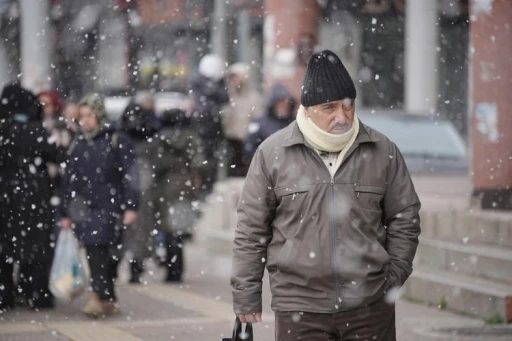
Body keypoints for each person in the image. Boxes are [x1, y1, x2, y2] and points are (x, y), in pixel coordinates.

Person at [231, 50, 421, 341]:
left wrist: (393, 276)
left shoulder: (383, 151)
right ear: (307, 109)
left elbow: (405, 217)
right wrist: (246, 294)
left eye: (348, 106)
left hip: (370, 307)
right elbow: (251, 228)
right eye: (329, 108)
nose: (342, 117)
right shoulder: (272, 153)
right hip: (300, 308)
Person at [59, 93, 139, 317]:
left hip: (110, 204)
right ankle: (101, 297)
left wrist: (131, 205)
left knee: (108, 253)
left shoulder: (116, 140)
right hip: (84, 207)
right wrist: (65, 210)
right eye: (82, 116)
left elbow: (131, 174)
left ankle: (104, 296)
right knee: (95, 250)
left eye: (90, 115)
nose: (85, 120)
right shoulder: (78, 142)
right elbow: (69, 179)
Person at [0, 84, 62, 312]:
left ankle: (4, 294)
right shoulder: (35, 129)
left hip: (5, 195)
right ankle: (36, 294)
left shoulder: (3, 129)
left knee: (5, 248)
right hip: (34, 194)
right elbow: (54, 155)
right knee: (36, 246)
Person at [151, 108, 206, 282]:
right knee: (178, 231)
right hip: (183, 186)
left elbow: (155, 163)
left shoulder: (160, 138)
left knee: (167, 230)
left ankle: (170, 269)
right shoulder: (191, 138)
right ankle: (177, 270)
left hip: (164, 188)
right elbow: (200, 163)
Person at [118, 99, 160, 284]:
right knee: (141, 230)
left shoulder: (121, 140)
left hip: (128, 189)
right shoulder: (151, 139)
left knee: (127, 231)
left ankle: (123, 265)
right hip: (143, 189)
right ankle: (136, 267)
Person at [189, 54, 229, 195]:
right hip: (203, 126)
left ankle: (208, 188)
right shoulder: (199, 83)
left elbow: (225, 97)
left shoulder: (217, 84)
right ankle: (204, 189)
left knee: (212, 160)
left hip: (213, 126)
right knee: (202, 160)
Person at [222, 63, 263, 177]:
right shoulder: (228, 96)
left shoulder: (254, 98)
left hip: (248, 142)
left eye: (237, 77)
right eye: (232, 77)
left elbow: (258, 120)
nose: (234, 81)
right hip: (231, 141)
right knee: (232, 172)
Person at [243, 83, 295, 163]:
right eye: (280, 103)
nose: (283, 106)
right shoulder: (259, 123)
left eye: (285, 103)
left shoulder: (296, 123)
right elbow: (250, 147)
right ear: (273, 104)